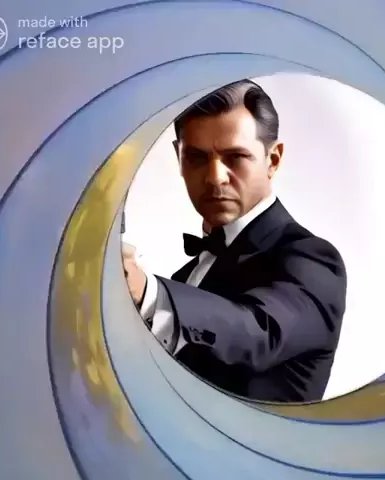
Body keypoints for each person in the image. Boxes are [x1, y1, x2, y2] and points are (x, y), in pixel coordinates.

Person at [122, 79, 347, 403]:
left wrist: (147, 292)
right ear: (178, 157)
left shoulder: (313, 258)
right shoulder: (187, 278)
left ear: (273, 159)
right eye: (196, 157)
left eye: (235, 157)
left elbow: (258, 332)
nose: (215, 177)